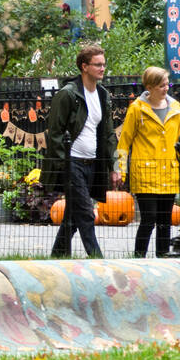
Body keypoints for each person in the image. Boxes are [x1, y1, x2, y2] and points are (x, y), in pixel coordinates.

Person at [42, 44, 118, 259]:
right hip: (72, 162)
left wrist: (113, 166)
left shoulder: (103, 95)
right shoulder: (68, 94)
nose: (103, 68)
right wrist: (62, 166)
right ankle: (98, 260)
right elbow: (55, 133)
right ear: (84, 66)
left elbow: (109, 134)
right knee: (86, 212)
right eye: (98, 65)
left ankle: (56, 257)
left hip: (92, 163)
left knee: (72, 217)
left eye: (104, 64)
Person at [116, 66, 180, 258]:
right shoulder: (137, 108)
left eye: (167, 85)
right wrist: (120, 170)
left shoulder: (176, 108)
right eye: (161, 86)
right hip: (145, 173)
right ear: (150, 87)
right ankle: (139, 258)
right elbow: (124, 141)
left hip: (169, 172)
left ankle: (163, 259)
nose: (166, 89)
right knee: (149, 219)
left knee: (165, 221)